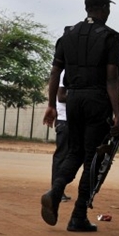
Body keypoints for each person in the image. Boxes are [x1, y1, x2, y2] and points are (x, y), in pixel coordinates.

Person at [41, 0, 119, 233]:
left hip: (73, 99)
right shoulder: (109, 38)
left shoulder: (68, 35)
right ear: (104, 9)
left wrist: (52, 105)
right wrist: (117, 113)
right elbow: (111, 79)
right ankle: (77, 216)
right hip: (97, 100)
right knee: (93, 158)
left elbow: (55, 72)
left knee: (75, 152)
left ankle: (56, 190)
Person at [52, 71, 71, 202]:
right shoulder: (66, 73)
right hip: (64, 120)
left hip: (71, 121)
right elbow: (61, 97)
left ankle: (59, 189)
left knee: (68, 156)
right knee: (61, 156)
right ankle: (56, 191)